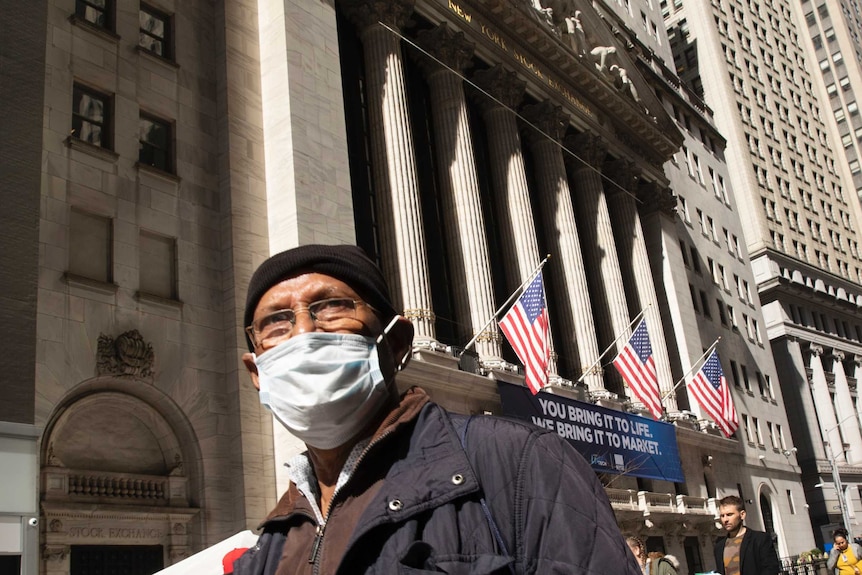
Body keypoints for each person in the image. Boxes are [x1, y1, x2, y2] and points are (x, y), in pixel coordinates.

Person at [231, 244, 642, 574]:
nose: (304, 332)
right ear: (256, 372)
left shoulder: (519, 462)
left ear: (395, 345)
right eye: (276, 324)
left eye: (332, 309)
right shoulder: (274, 539)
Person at [713, 495, 780, 575]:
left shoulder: (760, 540)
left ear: (742, 515)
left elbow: (771, 570)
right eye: (722, 516)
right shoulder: (719, 546)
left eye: (729, 514)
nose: (725, 520)